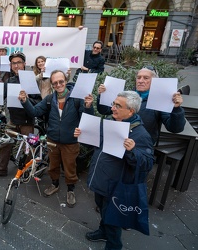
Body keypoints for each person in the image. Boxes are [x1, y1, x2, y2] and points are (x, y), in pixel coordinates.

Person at [74, 91, 154, 250]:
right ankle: (103, 231)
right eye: (113, 104)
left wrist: (133, 151)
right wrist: (83, 135)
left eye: (118, 106)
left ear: (131, 111)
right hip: (101, 180)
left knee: (113, 218)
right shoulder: (111, 121)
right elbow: (98, 144)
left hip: (116, 186)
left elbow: (147, 163)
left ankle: (114, 245)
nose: (112, 108)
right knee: (104, 211)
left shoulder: (140, 134)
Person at [19, 69, 94, 207]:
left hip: (70, 142)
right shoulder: (49, 99)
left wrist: (88, 106)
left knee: (70, 167)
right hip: (52, 140)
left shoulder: (76, 99)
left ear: (65, 81)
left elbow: (87, 118)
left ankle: (71, 190)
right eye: (55, 83)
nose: (58, 85)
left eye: (61, 81)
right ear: (52, 85)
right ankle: (55, 184)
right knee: (53, 166)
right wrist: (25, 101)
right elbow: (35, 111)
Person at [0, 51, 41, 177]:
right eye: (13, 63)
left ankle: (25, 171)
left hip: (27, 121)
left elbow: (39, 101)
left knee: (28, 147)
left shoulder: (31, 79)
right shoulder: (9, 80)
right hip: (13, 120)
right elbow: (1, 96)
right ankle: (1, 170)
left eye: (19, 63)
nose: (16, 66)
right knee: (6, 144)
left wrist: (27, 99)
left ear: (24, 64)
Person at [96, 66, 185, 144]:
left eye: (146, 78)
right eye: (138, 77)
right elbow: (105, 111)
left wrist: (176, 109)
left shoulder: (159, 100)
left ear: (154, 81)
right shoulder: (127, 95)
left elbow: (175, 128)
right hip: (118, 139)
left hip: (141, 144)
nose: (141, 81)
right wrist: (102, 95)